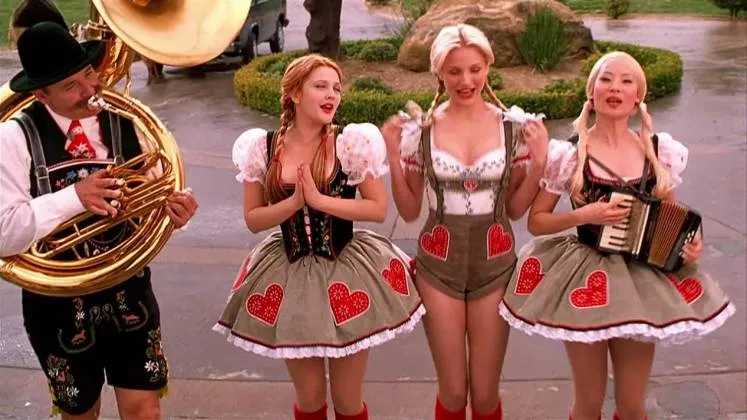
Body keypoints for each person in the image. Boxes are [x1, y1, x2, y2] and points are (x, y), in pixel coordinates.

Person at [499, 51, 735, 420]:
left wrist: (690, 245)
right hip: (583, 277)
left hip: (640, 280)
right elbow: (537, 222)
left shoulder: (657, 151)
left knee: (632, 405)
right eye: (606, 79)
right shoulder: (570, 154)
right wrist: (584, 214)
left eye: (627, 82)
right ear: (591, 93)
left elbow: (673, 218)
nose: (615, 88)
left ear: (638, 97)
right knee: (588, 403)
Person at [0, 22, 198, 419]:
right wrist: (74, 198)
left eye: (89, 73)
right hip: (56, 305)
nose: (91, 89)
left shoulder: (130, 123)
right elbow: (5, 233)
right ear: (41, 95)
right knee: (81, 413)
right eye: (71, 86)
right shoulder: (13, 138)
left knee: (145, 411)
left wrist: (176, 214)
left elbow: (157, 194)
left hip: (129, 291)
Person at [213, 53, 424, 420]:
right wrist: (294, 203)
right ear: (295, 94)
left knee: (347, 400)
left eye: (337, 88)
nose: (332, 95)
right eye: (321, 86)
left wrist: (319, 200)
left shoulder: (349, 144)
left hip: (348, 269)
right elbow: (253, 219)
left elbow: (377, 209)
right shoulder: (263, 148)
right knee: (310, 400)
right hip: (290, 273)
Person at [380, 24, 549, 420]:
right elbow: (409, 211)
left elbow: (515, 209)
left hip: (496, 266)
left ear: (488, 66)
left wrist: (539, 163)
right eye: (454, 71)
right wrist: (392, 156)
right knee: (454, 392)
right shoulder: (421, 131)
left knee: (486, 395)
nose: (466, 81)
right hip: (438, 268)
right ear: (439, 72)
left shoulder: (513, 128)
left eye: (475, 69)